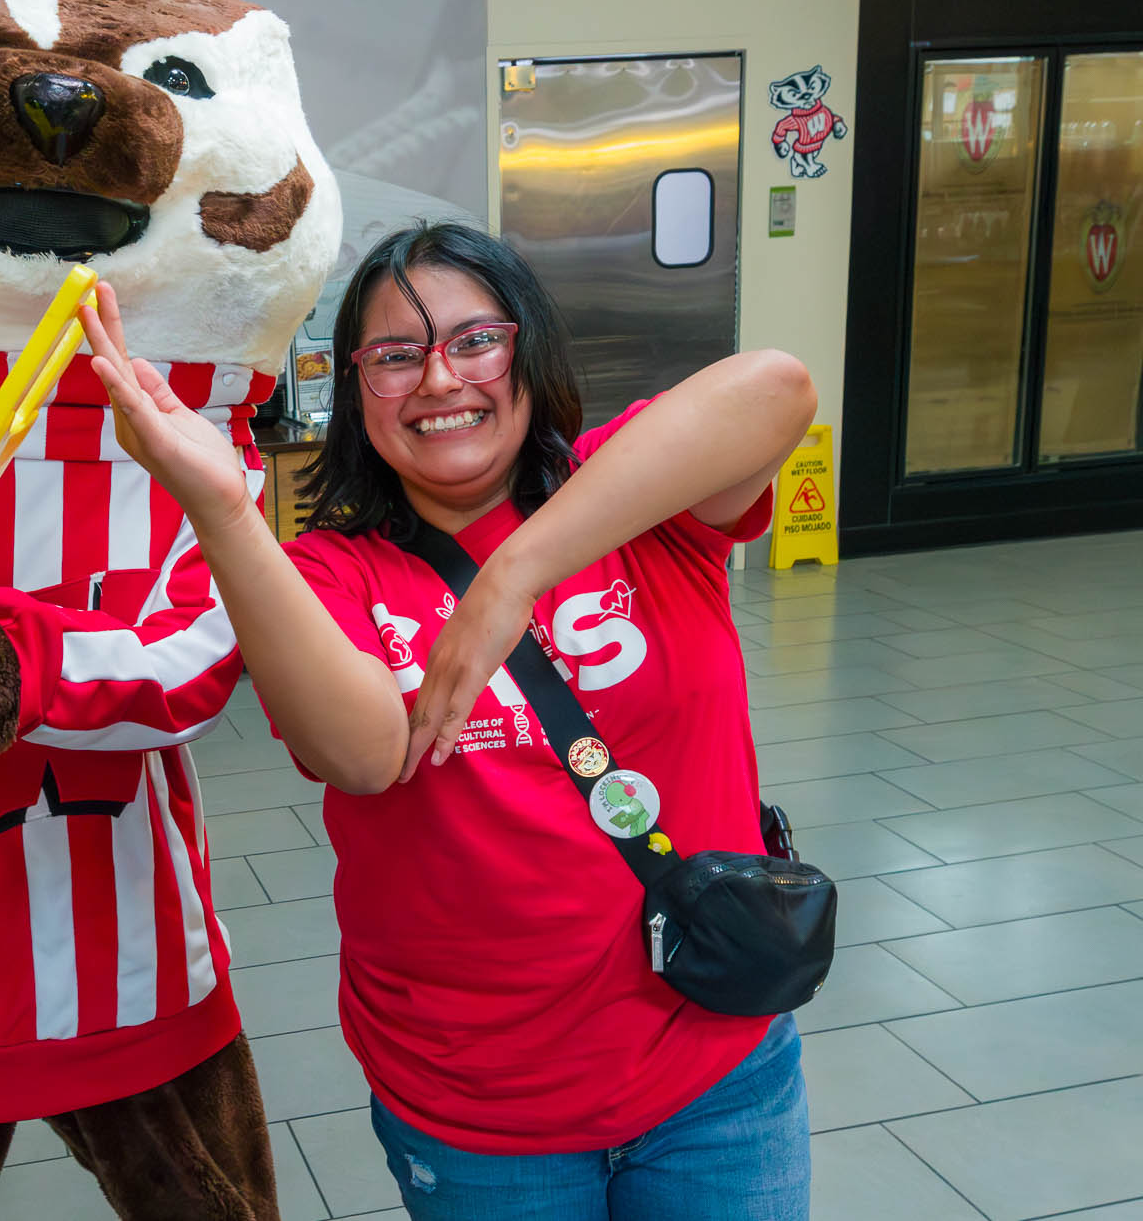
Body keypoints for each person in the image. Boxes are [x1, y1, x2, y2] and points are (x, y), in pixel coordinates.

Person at [81, 221, 816, 1221]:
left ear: (527, 350)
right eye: (393, 356)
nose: (437, 379)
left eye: (474, 340)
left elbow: (776, 386)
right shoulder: (328, 574)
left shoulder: (630, 495)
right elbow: (360, 752)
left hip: (713, 1068)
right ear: (353, 388)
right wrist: (220, 508)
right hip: (480, 1111)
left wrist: (511, 573)